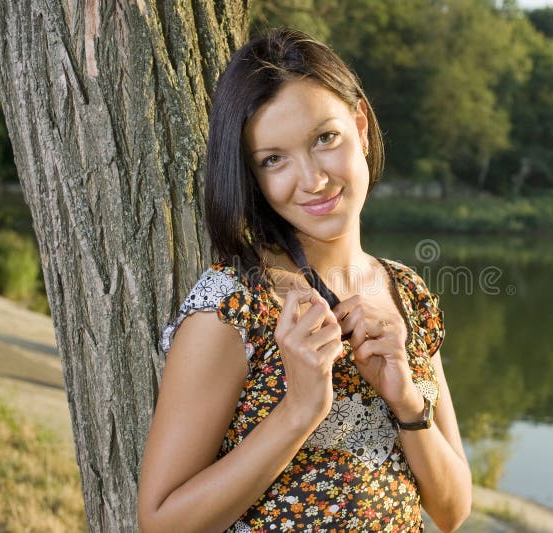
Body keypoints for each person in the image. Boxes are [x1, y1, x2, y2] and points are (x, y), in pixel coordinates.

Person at [137, 27, 472, 532]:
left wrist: (407, 401)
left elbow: (452, 511)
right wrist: (298, 411)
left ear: (360, 126)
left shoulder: (407, 295)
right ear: (252, 176)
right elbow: (160, 523)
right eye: (274, 159)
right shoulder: (234, 305)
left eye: (324, 138)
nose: (312, 179)